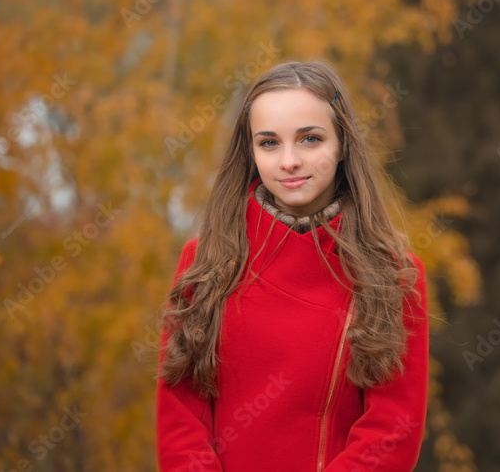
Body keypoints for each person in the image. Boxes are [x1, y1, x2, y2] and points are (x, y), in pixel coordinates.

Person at [155, 60, 429, 471]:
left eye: (310, 139)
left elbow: (393, 430)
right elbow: (180, 415)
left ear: (342, 145)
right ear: (250, 152)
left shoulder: (393, 276)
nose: (289, 161)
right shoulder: (205, 262)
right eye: (269, 143)